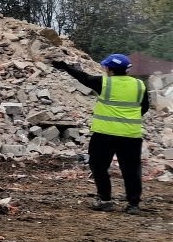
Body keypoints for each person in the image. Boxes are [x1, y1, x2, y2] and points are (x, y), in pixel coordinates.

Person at [51, 53, 150, 215]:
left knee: (99, 166)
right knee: (131, 169)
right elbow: (144, 107)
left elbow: (83, 78)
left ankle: (105, 200)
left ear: (110, 69)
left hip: (104, 134)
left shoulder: (104, 83)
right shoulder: (140, 85)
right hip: (131, 135)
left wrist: (65, 67)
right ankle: (133, 205)